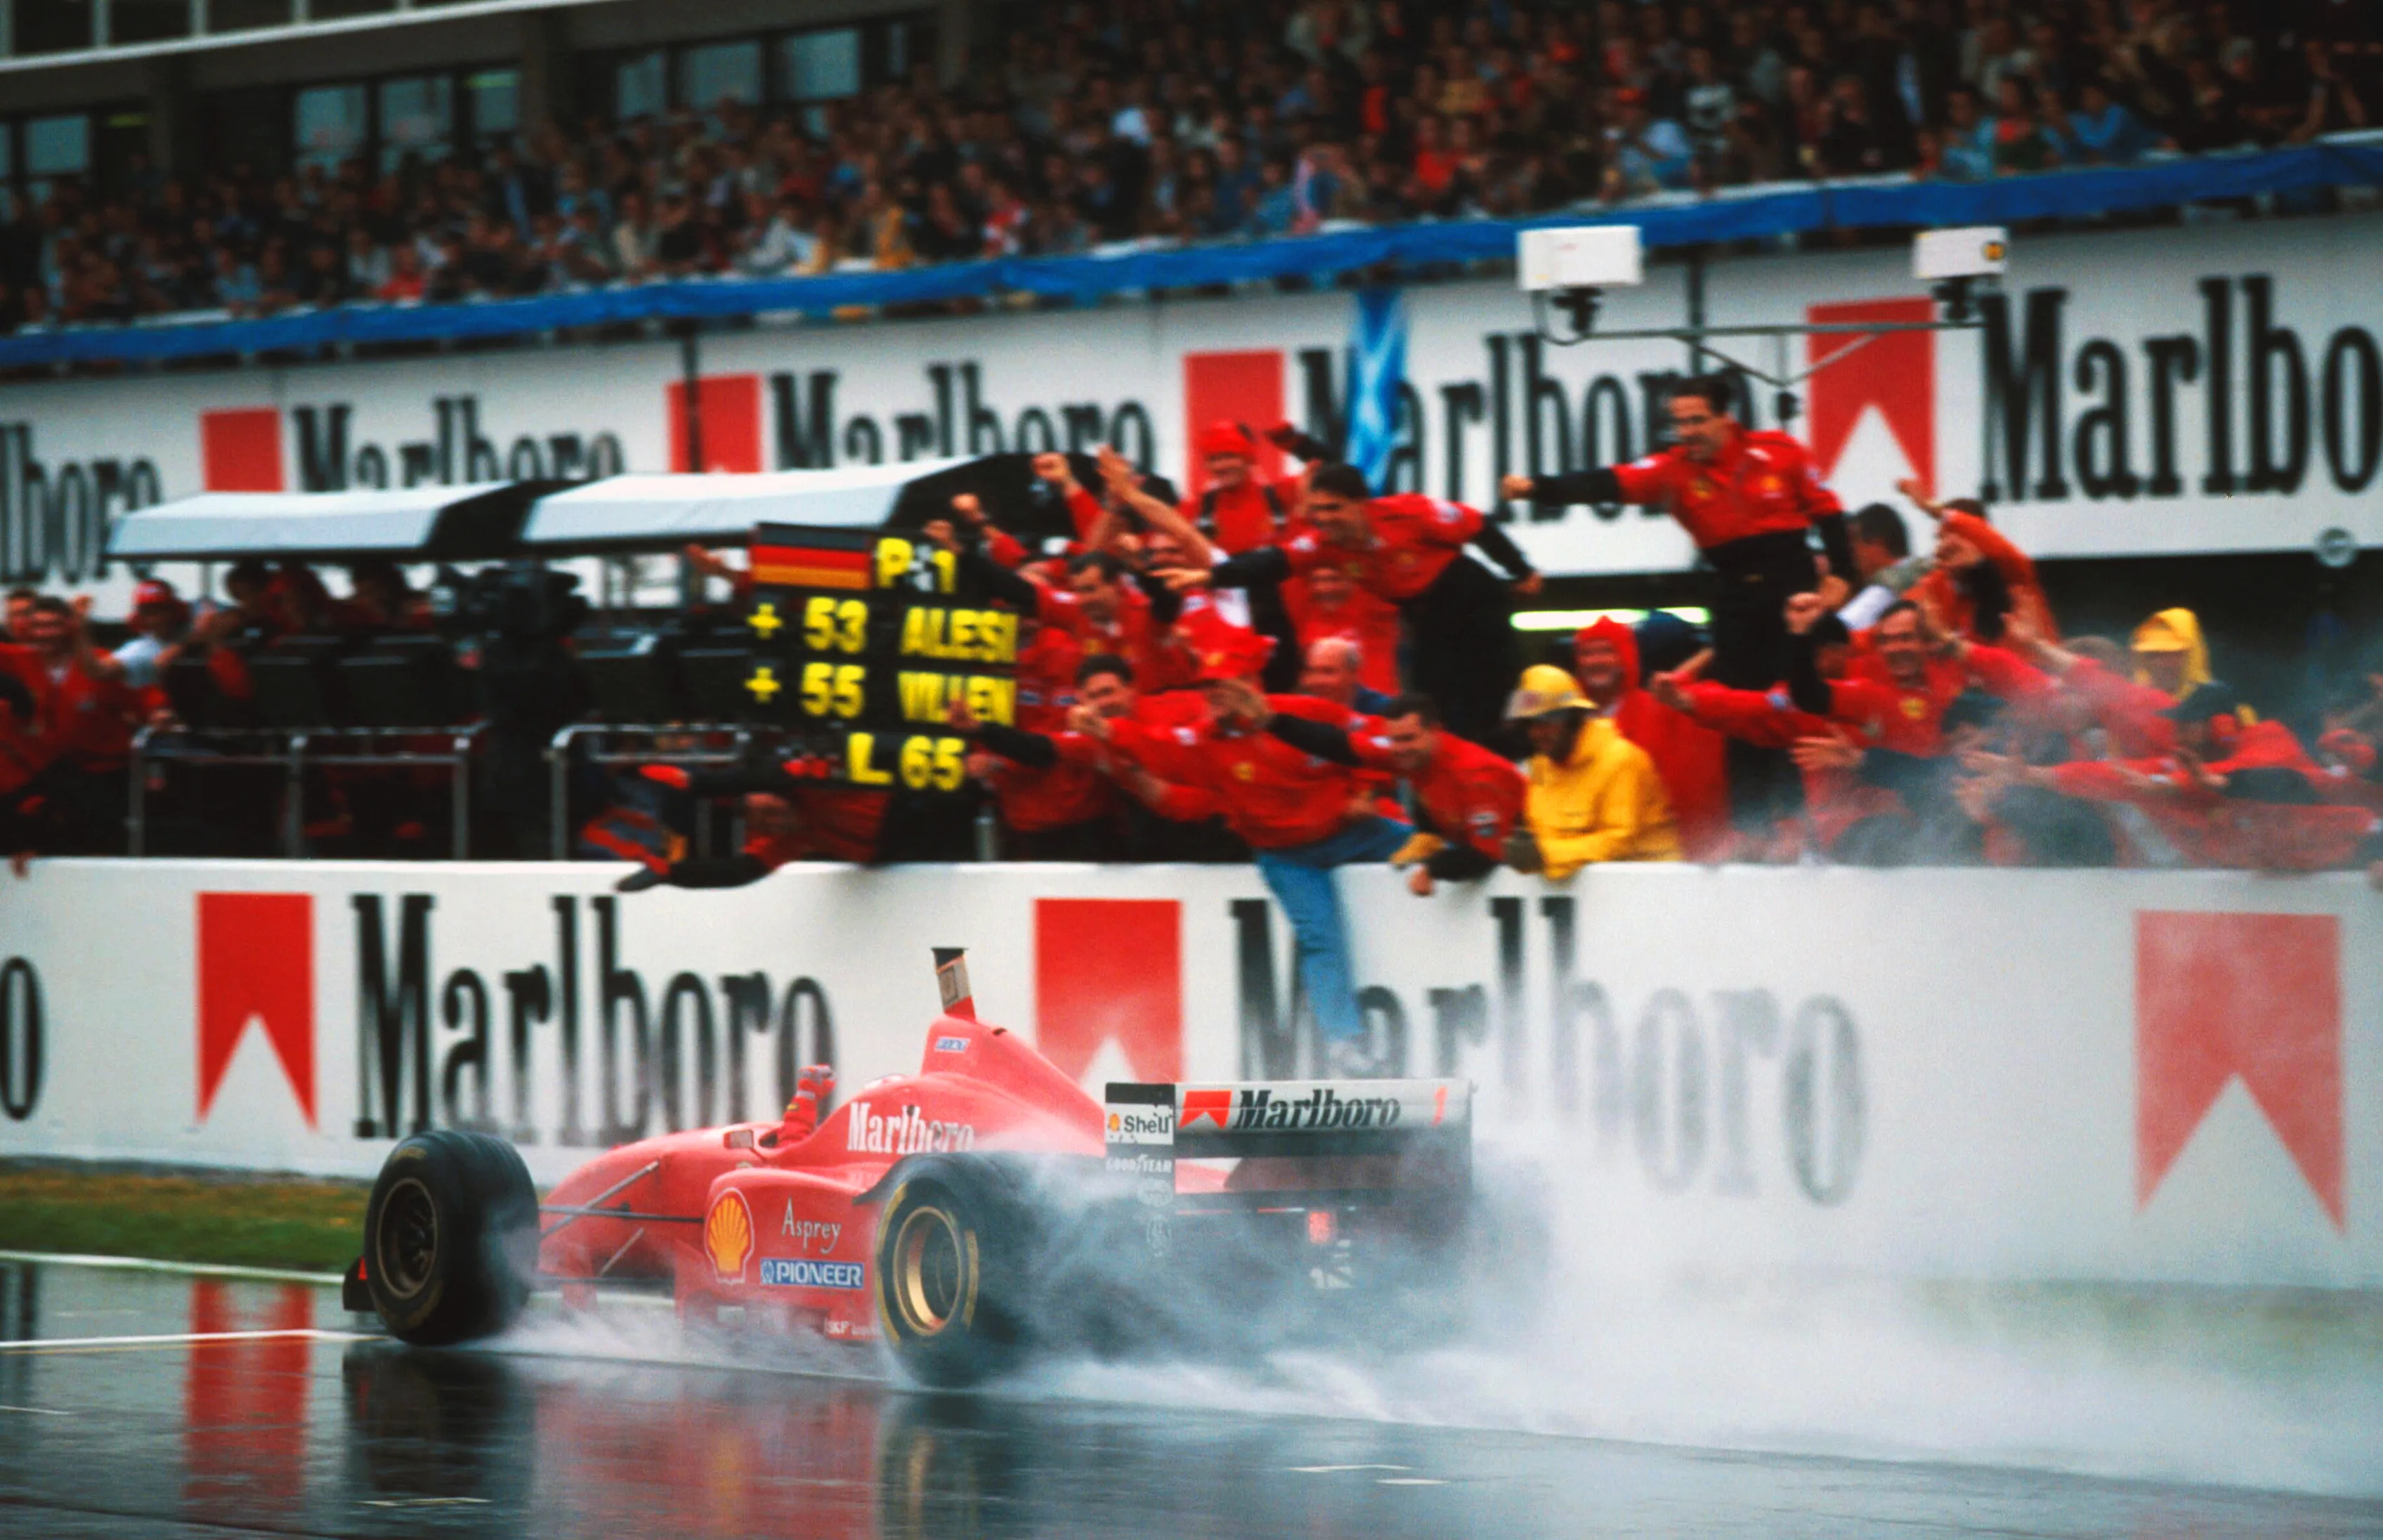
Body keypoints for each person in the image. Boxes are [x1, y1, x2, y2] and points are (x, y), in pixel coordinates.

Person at [1504, 374, 1855, 829]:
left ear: (1726, 419)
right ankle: (1752, 833)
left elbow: (1828, 513)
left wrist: (1843, 575)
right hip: (1733, 598)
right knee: (1737, 718)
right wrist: (1536, 487)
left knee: (1792, 706)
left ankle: (1807, 827)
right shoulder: (1674, 471)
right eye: (1679, 422)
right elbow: (1609, 482)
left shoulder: (1780, 452)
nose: (1687, 431)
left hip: (1791, 594)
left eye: (1697, 420)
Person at [1102, 642, 1411, 1074]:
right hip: (1287, 856)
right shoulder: (1205, 739)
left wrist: (1369, 790)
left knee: (1431, 850)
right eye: (1208, 689)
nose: (1213, 697)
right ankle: (1344, 1041)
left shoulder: (1303, 711)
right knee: (1321, 938)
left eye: (1223, 687)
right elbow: (1156, 746)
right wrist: (1108, 733)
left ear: (1250, 685)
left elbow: (1374, 738)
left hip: (1348, 831)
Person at [1194, 463, 1539, 745]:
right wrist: (1212, 577)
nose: (1324, 519)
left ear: (1361, 505)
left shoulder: (1408, 512)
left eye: (1333, 508)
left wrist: (1521, 570)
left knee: (1498, 698)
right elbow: (1273, 561)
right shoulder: (1323, 545)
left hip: (1473, 598)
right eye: (1316, 512)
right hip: (1425, 616)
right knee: (1435, 712)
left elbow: (1478, 525)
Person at [1260, 691, 1529, 896]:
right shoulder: (1411, 756)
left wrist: (1434, 869)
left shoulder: (1476, 774)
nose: (1399, 749)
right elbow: (1339, 746)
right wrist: (1273, 720)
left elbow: (1488, 853)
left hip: (1531, 869)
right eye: (1394, 740)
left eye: (1409, 738)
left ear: (1435, 731)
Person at [1574, 615, 1730, 859]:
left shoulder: (1660, 713)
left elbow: (1692, 788)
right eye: (1587, 653)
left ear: (1625, 656)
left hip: (1653, 857)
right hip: (1586, 858)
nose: (1596, 661)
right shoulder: (1568, 723)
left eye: (1607, 651)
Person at [1505, 665, 1681, 877]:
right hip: (1580, 889)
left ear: (1574, 719)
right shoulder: (1541, 767)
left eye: (1548, 722)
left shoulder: (1621, 759)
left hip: (1651, 887)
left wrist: (1545, 854)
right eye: (1530, 724)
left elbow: (1619, 839)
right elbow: (1540, 830)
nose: (1537, 733)